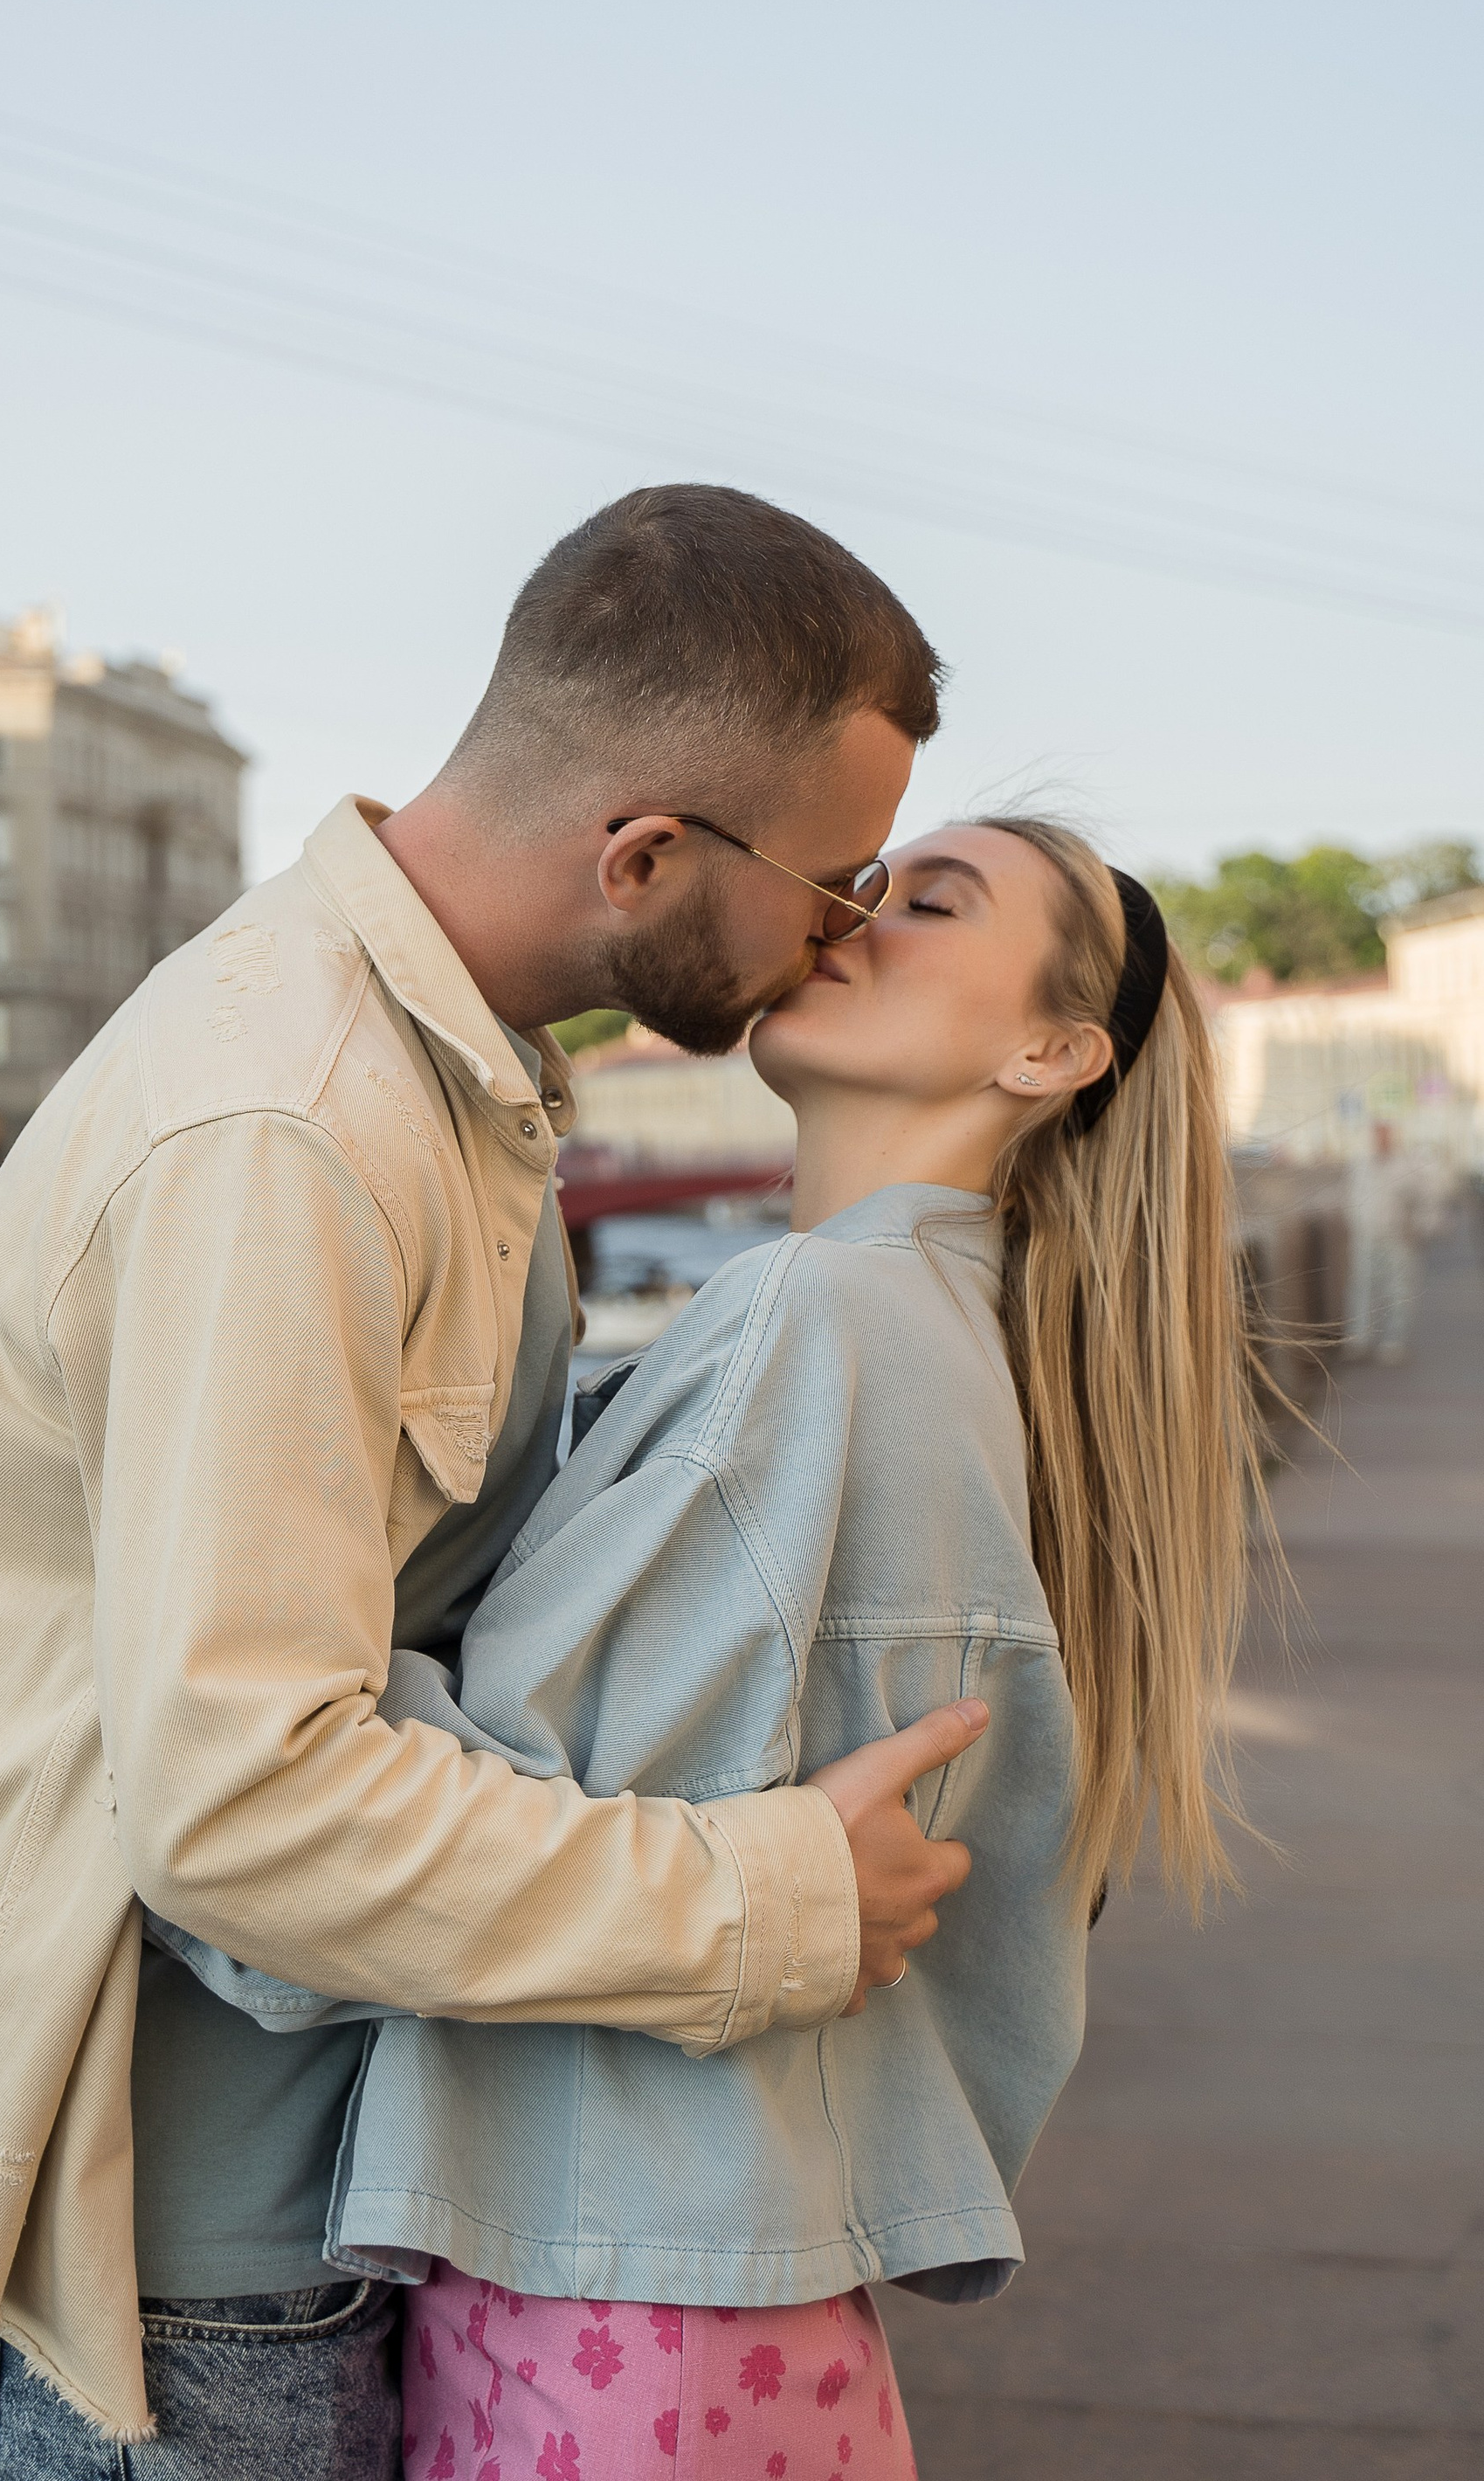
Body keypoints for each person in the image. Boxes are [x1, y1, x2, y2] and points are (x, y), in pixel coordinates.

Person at [0, 483, 989, 2475]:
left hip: (263, 2207)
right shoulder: (289, 1130)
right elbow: (244, 1804)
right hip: (147, 2291)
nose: (842, 932)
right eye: (837, 880)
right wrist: (759, 1900)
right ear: (645, 852)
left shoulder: (438, 1070)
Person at [162, 816, 1264, 2475]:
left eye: (933, 903)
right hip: (734, 2281)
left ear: (1051, 1050)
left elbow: (508, 1814)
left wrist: (221, 1627)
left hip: (603, 2278)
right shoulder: (960, 1338)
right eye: (870, 880)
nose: (855, 916)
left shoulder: (811, 1321)